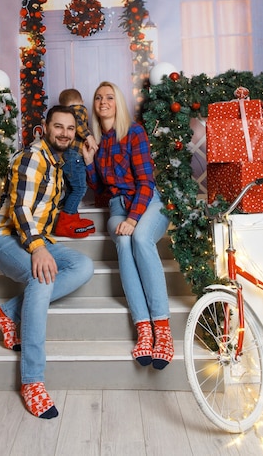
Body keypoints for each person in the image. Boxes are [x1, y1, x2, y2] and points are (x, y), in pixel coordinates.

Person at [0, 105, 94, 418]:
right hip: (6, 239)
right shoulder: (33, 156)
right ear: (45, 127)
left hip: (39, 239)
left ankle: (7, 312)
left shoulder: (58, 160)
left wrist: (85, 158)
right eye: (58, 127)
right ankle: (32, 381)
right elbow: (19, 209)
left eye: (70, 129)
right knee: (42, 277)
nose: (64, 133)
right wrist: (37, 248)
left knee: (83, 266)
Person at [82, 81, 173, 370]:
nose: (103, 101)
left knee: (140, 239)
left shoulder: (134, 132)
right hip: (117, 208)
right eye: (98, 98)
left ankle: (163, 329)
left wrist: (134, 218)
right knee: (122, 241)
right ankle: (143, 329)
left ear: (118, 103)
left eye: (109, 97)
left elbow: (146, 182)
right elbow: (99, 190)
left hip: (148, 203)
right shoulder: (100, 141)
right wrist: (89, 161)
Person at [53, 88, 97, 238]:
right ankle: (66, 219)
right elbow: (78, 123)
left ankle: (69, 215)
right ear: (82, 101)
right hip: (74, 156)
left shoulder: (64, 114)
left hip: (66, 156)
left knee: (72, 188)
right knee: (80, 188)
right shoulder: (78, 110)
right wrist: (89, 136)